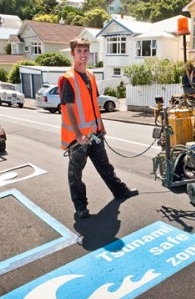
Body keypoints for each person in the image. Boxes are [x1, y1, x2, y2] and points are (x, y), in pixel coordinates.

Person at [58, 38, 138, 219]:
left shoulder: (91, 76)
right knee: (76, 173)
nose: (83, 55)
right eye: (79, 51)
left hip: (94, 133)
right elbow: (68, 108)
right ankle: (80, 206)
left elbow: (94, 104)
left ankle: (120, 191)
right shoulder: (68, 78)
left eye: (86, 51)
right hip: (78, 138)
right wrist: (78, 134)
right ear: (72, 54)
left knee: (104, 164)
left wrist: (101, 125)